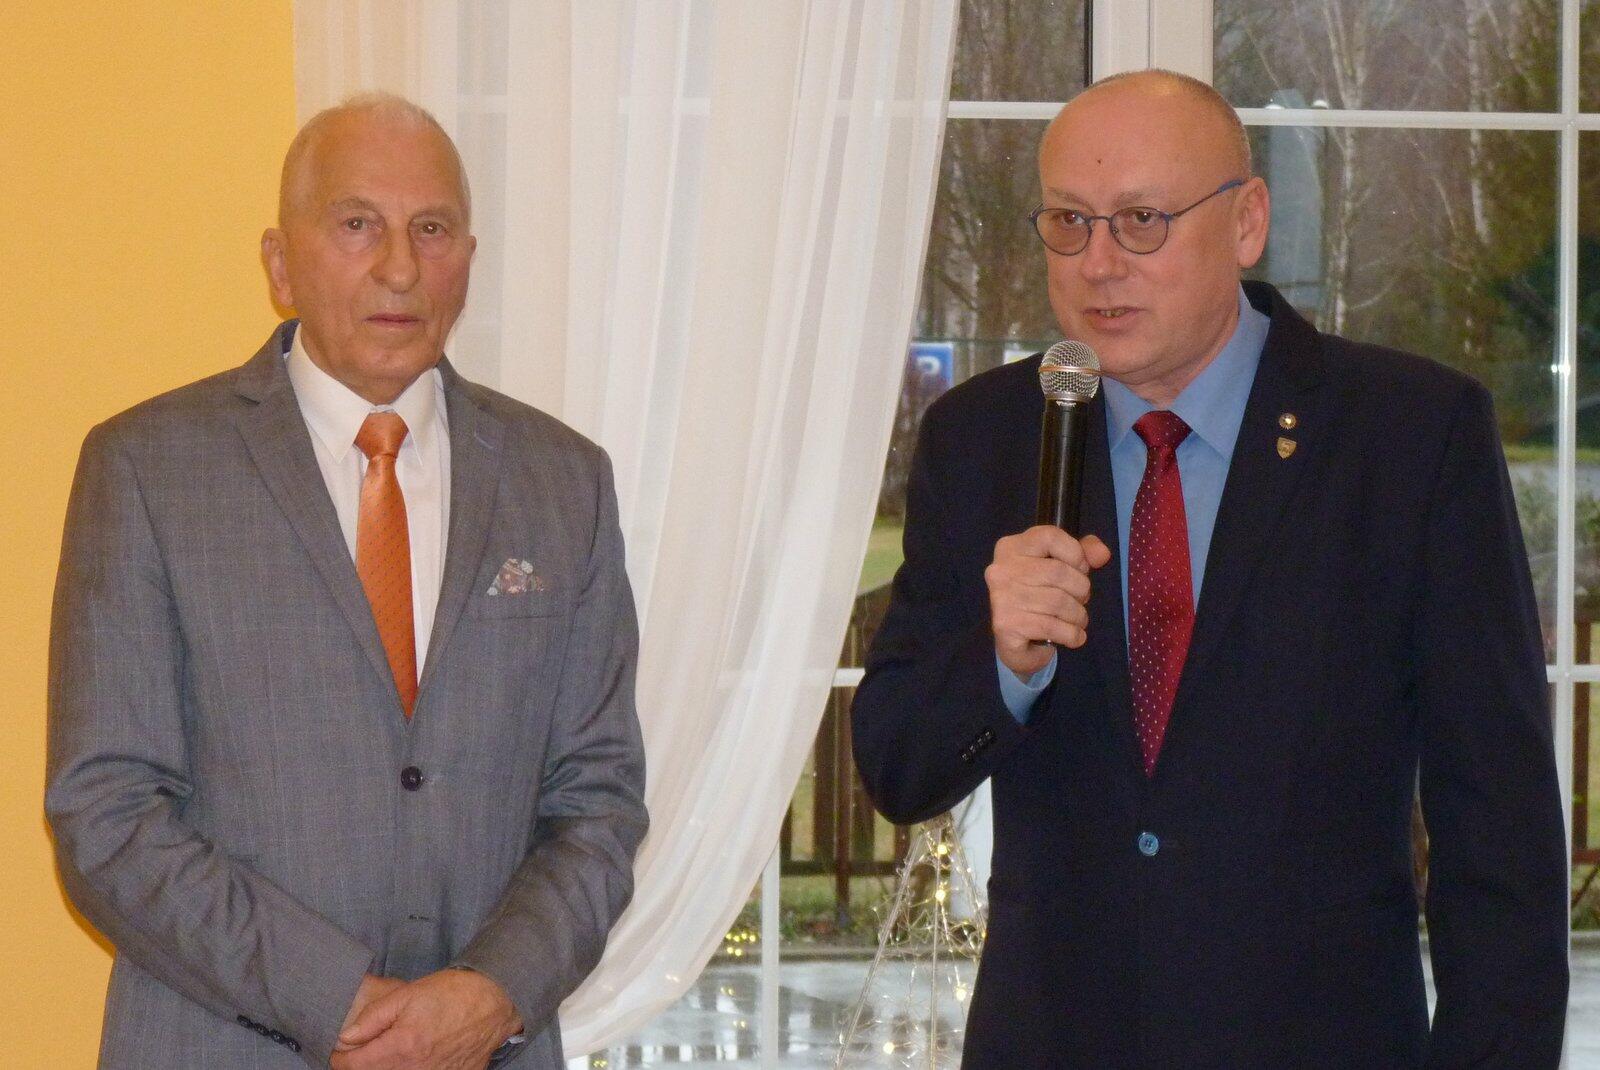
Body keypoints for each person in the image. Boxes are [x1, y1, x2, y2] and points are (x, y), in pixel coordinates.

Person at [852, 69, 1568, 1068]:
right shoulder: (983, 439)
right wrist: (1000, 661)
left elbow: (1498, 823)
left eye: (1141, 221)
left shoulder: (1408, 434)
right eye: (1069, 221)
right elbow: (897, 765)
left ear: (1247, 223)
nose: (1099, 263)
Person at [46, 94, 646, 1069]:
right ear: (280, 263)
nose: (400, 266)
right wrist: (335, 1000)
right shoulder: (148, 469)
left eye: (431, 229)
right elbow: (106, 811)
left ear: (468, 260)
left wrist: (493, 992)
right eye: (358, 223)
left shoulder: (564, 482)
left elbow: (600, 800)